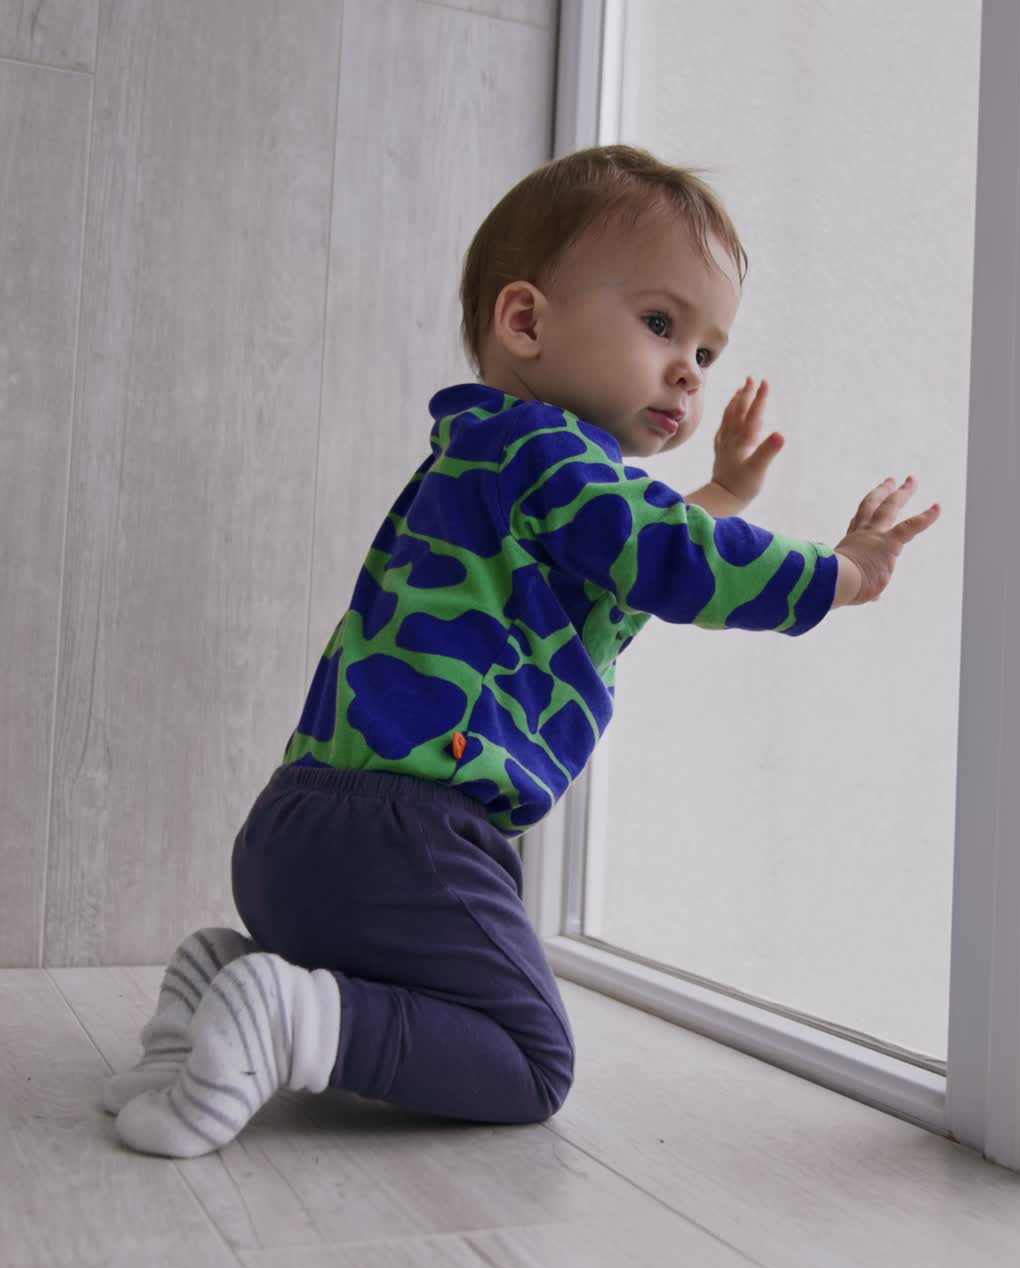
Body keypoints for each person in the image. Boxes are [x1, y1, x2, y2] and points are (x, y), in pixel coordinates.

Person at [105, 145, 940, 1158]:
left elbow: (624, 584)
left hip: (295, 836)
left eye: (709, 352)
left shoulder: (492, 461)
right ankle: (284, 1012)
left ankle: (211, 987)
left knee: (439, 992)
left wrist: (719, 495)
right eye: (660, 323)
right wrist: (841, 571)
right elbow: (670, 560)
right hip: (411, 837)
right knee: (529, 1057)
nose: (688, 368)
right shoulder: (552, 454)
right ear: (526, 321)